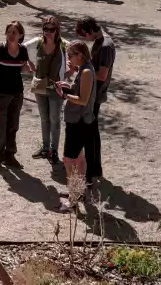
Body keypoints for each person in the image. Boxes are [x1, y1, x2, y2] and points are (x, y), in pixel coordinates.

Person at [0, 20, 35, 171]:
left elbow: (23, 68)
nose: (11, 35)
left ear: (21, 35)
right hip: (0, 93)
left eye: (14, 32)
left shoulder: (23, 50)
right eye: (9, 32)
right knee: (0, 127)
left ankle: (10, 156)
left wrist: (29, 68)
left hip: (17, 94)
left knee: (13, 126)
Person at [57, 41, 96, 212]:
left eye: (70, 56)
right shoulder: (83, 70)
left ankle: (72, 200)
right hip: (79, 121)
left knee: (68, 160)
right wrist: (68, 87)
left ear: (79, 55)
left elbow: (83, 100)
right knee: (80, 158)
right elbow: (79, 93)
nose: (69, 60)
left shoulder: (87, 72)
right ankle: (80, 192)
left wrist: (65, 95)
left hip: (78, 122)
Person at [74, 18, 114, 184]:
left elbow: (102, 74)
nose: (86, 39)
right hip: (93, 93)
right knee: (92, 132)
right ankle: (95, 168)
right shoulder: (101, 40)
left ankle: (91, 170)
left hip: (94, 95)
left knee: (89, 133)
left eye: (85, 36)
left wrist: (82, 70)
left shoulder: (105, 46)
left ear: (89, 31)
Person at [30, 17, 67, 163]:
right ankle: (45, 148)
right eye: (46, 29)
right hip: (40, 87)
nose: (48, 32)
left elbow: (76, 56)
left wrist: (67, 76)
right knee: (44, 119)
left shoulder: (63, 45)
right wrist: (30, 65)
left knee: (55, 120)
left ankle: (54, 151)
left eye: (52, 29)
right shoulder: (39, 42)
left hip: (55, 89)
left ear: (57, 30)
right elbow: (21, 48)